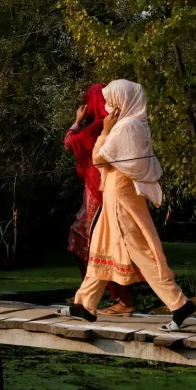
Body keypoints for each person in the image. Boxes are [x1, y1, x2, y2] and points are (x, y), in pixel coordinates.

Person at [59, 79, 196, 331]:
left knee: (142, 252)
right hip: (113, 197)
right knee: (99, 250)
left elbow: (99, 159)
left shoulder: (127, 127)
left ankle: (179, 304)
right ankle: (86, 305)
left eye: (112, 100)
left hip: (121, 200)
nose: (109, 106)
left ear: (124, 100)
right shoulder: (132, 124)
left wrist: (104, 132)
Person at [63, 84, 135, 315]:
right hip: (109, 191)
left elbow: (68, 142)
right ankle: (93, 295)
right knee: (93, 242)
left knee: (96, 244)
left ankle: (118, 299)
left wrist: (77, 120)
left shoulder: (98, 126)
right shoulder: (120, 124)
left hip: (99, 193)